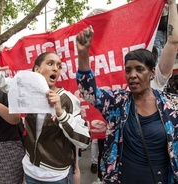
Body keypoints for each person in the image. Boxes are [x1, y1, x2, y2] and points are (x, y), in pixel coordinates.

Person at [76, 22, 178, 184]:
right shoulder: (117, 102)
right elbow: (89, 92)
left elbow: (173, 41)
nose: (132, 75)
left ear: (152, 72)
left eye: (139, 69)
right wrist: (83, 55)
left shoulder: (172, 106)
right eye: (128, 70)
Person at [0, 51, 90, 184]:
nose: (56, 68)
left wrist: (61, 113)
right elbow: (4, 83)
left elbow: (84, 140)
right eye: (50, 63)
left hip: (55, 176)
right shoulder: (27, 91)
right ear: (37, 69)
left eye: (59, 66)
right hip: (30, 172)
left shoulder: (68, 99)